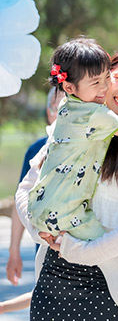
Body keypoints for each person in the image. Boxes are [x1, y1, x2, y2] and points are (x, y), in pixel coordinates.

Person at [15, 48, 118, 321]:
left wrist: (85, 251)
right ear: (103, 77)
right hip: (56, 273)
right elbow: (27, 188)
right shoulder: (73, 125)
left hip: (112, 275)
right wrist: (42, 231)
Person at [7, 87, 63, 287]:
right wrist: (14, 251)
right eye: (59, 109)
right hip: (44, 242)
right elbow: (21, 198)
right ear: (49, 112)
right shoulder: (36, 149)